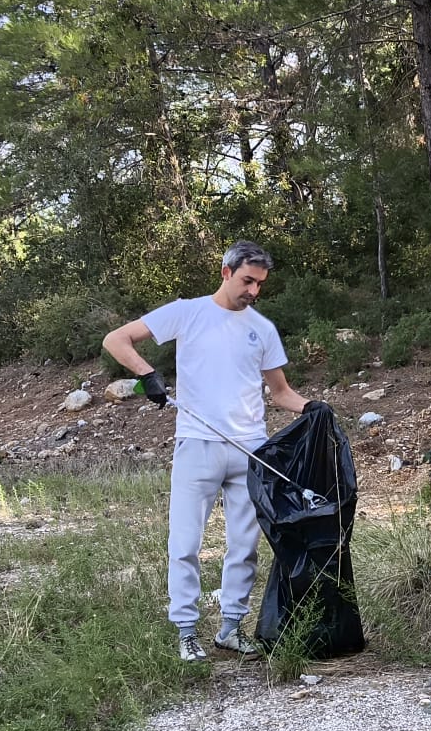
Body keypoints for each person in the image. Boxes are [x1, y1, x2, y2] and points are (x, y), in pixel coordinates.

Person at [103, 241, 311, 663]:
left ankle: (231, 630)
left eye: (259, 284)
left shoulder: (263, 330)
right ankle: (186, 632)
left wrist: (316, 409)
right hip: (197, 445)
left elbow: (282, 393)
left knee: (245, 545)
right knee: (184, 543)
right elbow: (116, 339)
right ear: (226, 272)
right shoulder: (188, 311)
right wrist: (147, 375)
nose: (253, 291)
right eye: (247, 281)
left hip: (250, 450)